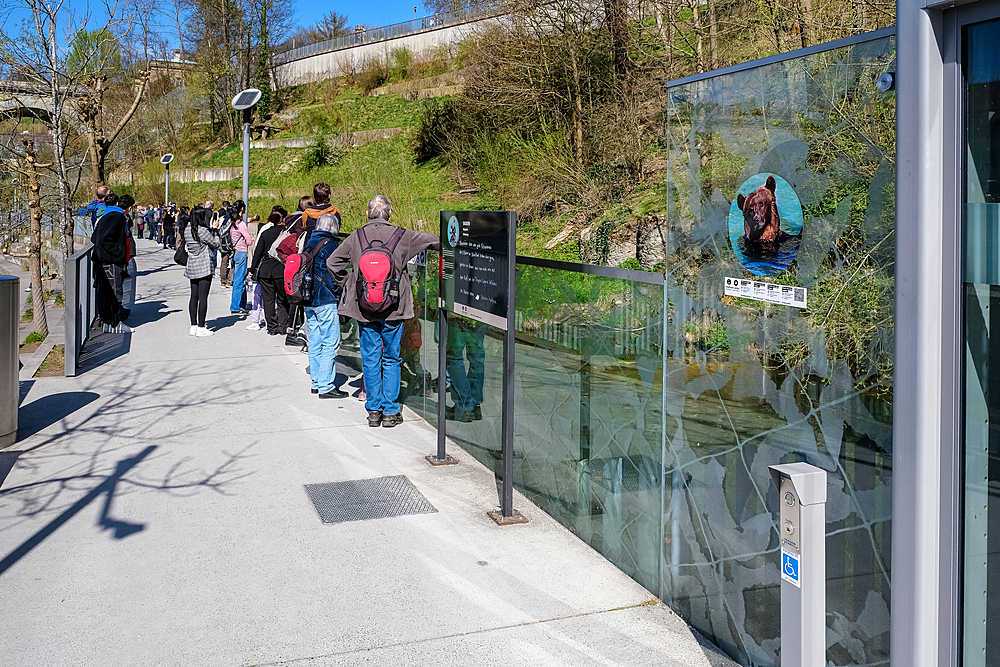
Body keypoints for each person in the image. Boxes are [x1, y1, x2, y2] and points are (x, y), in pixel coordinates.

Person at [328, 195, 440, 428]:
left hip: (365, 310)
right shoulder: (403, 236)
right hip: (395, 309)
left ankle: (373, 411)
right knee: (392, 359)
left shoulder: (356, 236)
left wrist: (349, 284)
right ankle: (390, 411)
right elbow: (432, 240)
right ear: (390, 214)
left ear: (367, 214)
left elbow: (333, 262)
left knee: (370, 359)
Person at [304, 213, 347, 398]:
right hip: (325, 299)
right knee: (330, 342)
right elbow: (334, 273)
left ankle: (316, 382)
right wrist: (340, 293)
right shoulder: (331, 245)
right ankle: (326, 386)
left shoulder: (309, 241)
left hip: (307, 298)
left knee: (314, 342)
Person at [90, 192, 132, 333]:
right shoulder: (116, 216)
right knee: (115, 292)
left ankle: (109, 322)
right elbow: (104, 239)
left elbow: (95, 237)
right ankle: (115, 324)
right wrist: (118, 255)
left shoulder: (104, 215)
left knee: (107, 293)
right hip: (110, 261)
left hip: (102, 260)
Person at [181, 206, 220, 337]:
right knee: (203, 297)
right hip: (203, 265)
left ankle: (193, 325)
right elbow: (216, 244)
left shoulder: (187, 229)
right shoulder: (202, 231)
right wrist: (214, 229)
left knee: (194, 296)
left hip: (192, 264)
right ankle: (202, 327)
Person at [250, 210, 291, 335]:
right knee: (282, 299)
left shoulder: (265, 233)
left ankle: (272, 327)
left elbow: (257, 253)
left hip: (265, 270)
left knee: (268, 300)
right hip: (281, 269)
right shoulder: (287, 234)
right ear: (284, 219)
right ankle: (283, 326)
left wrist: (252, 270)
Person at [229, 200, 253, 313]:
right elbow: (249, 241)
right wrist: (246, 240)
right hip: (242, 253)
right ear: (242, 209)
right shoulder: (241, 224)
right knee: (239, 280)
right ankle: (235, 306)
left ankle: (242, 304)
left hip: (235, 252)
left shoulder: (232, 222)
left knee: (240, 279)